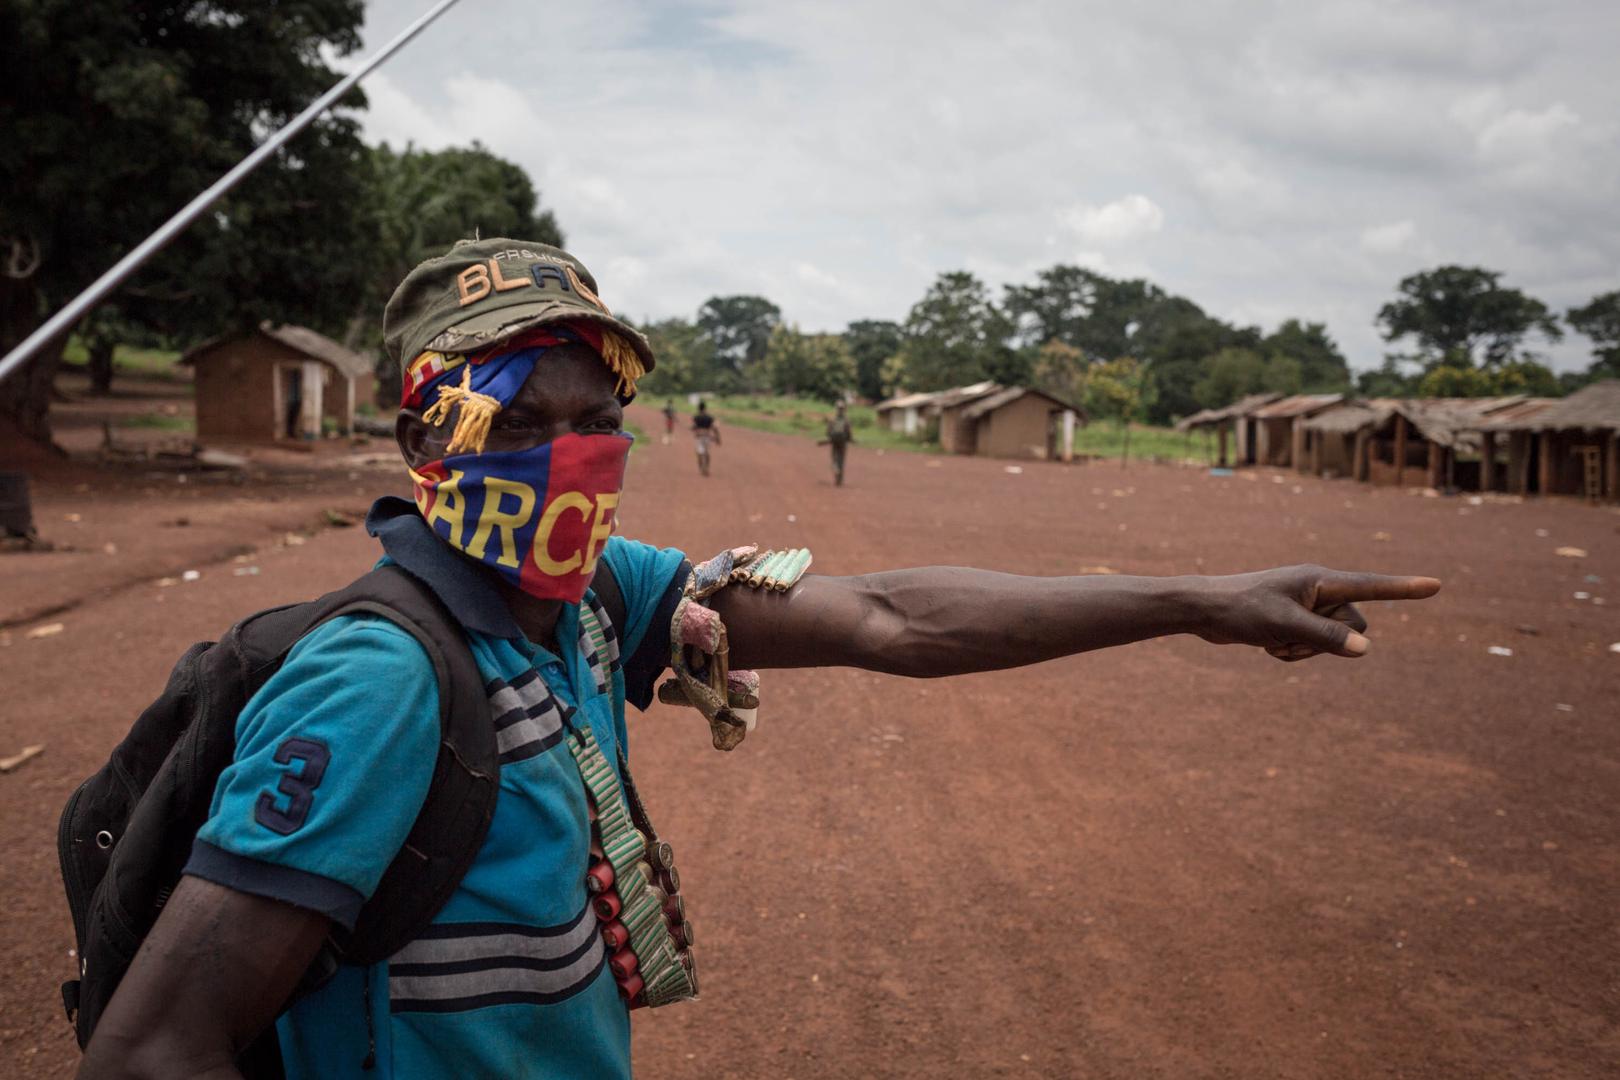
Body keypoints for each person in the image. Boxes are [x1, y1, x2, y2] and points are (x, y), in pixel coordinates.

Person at [77, 238, 1440, 1080]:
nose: (565, 452)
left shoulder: (596, 599)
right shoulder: (379, 680)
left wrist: (1203, 599)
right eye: (512, 416)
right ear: (421, 441)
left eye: (595, 415)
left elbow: (894, 617)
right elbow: (151, 1053)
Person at [820, 402, 853, 485]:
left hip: (834, 440)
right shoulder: (846, 420)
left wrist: (830, 437)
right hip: (843, 441)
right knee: (841, 459)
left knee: (834, 457)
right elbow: (849, 432)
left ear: (836, 408)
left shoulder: (832, 419)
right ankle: (839, 480)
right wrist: (849, 439)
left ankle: (835, 467)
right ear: (844, 409)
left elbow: (828, 431)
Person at [690, 400, 719, 476]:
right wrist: (717, 437)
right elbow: (714, 427)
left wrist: (692, 428)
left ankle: (701, 469)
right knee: (706, 452)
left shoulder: (696, 417)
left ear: (698, 408)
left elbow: (694, 427)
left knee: (699, 453)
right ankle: (707, 468)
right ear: (705, 408)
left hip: (699, 437)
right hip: (707, 436)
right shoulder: (710, 417)